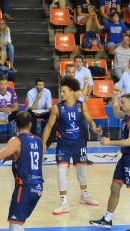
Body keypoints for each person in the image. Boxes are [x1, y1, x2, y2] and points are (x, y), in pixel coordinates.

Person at [89, 91, 130, 231]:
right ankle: (107, 220)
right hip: (125, 157)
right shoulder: (127, 116)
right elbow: (116, 112)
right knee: (115, 187)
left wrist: (110, 142)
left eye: (122, 102)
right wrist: (115, 96)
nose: (121, 105)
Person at [42, 76, 101, 215]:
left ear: (71, 92)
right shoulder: (57, 108)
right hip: (63, 144)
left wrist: (94, 128)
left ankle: (84, 195)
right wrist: (44, 142)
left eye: (63, 91)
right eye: (60, 91)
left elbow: (90, 121)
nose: (61, 94)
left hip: (78, 143)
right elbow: (49, 127)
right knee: (61, 171)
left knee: (82, 171)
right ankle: (63, 203)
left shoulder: (82, 105)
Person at [0, 77, 19, 146]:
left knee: (17, 113)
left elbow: (16, 107)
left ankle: (18, 136)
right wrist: (3, 109)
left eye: (5, 84)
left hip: (8, 114)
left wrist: (10, 110)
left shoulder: (11, 91)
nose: (3, 86)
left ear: (7, 84)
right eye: (1, 84)